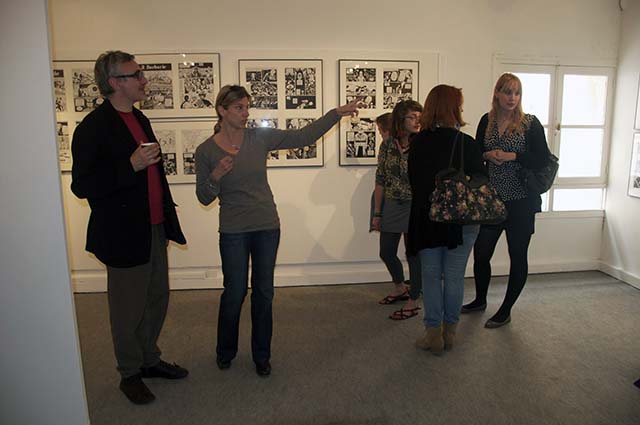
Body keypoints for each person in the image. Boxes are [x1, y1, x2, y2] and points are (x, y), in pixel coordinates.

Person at [195, 85, 360, 377]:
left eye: (247, 107)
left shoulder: (259, 137)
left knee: (264, 292)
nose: (246, 113)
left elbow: (303, 136)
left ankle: (262, 355)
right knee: (234, 292)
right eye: (239, 108)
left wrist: (336, 114)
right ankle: (225, 351)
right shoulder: (206, 151)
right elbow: (204, 197)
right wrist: (217, 175)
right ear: (222, 111)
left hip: (267, 226)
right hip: (233, 230)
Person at [70, 51, 188, 405]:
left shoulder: (139, 118)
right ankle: (129, 373)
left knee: (156, 298)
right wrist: (130, 165)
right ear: (115, 82)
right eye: (136, 74)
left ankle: (149, 360)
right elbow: (82, 185)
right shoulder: (92, 127)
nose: (143, 80)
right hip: (122, 233)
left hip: (152, 225)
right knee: (127, 308)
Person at [461, 73, 551, 328]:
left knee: (517, 255)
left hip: (521, 201)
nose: (512, 98)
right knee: (481, 254)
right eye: (507, 92)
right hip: (491, 201)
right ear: (497, 94)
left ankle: (506, 309)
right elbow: (475, 155)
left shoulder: (530, 123)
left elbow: (542, 159)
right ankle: (479, 300)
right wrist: (488, 154)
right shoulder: (486, 121)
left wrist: (512, 156)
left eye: (517, 93)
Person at [407, 85, 486, 355]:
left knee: (430, 276)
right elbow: (480, 182)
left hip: (427, 218)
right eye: (459, 105)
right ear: (453, 108)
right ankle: (450, 333)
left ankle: (432, 334)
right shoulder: (466, 143)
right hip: (461, 221)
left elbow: (414, 184)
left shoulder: (417, 142)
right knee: (454, 276)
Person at [372, 101, 423, 320]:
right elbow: (380, 179)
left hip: (415, 205)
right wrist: (377, 213)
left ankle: (413, 299)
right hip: (392, 203)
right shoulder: (387, 145)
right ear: (401, 119)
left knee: (414, 254)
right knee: (386, 251)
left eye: (420, 116)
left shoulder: (423, 144)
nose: (417, 120)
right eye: (412, 116)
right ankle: (400, 287)